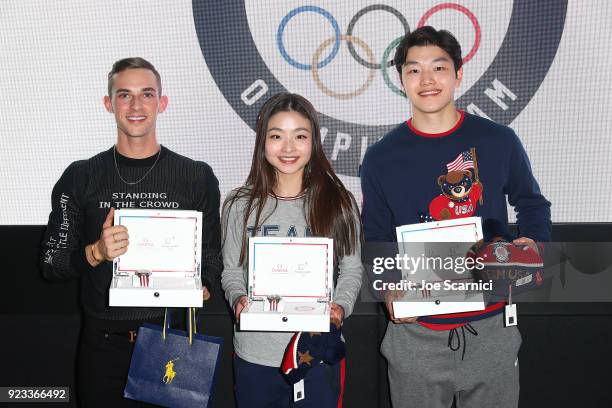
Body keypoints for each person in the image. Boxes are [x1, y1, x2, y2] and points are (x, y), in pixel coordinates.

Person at [360, 27, 551, 408]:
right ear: (401, 80)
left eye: (438, 68)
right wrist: (387, 290)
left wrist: (532, 242)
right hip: (416, 336)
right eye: (414, 70)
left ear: (458, 74)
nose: (427, 80)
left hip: (491, 325)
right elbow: (375, 238)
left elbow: (533, 205)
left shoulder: (499, 140)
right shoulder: (381, 157)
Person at [40, 57, 223, 407]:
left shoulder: (195, 176)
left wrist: (204, 288)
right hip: (103, 343)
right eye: (124, 95)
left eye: (147, 94)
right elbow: (51, 263)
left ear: (162, 103)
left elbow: (211, 257)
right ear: (109, 104)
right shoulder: (81, 176)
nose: (136, 105)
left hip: (170, 339)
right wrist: (95, 252)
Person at [221, 93, 363, 407]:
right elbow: (231, 270)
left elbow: (352, 268)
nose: (288, 147)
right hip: (255, 355)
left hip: (317, 351)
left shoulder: (339, 202)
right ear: (262, 142)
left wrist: (340, 307)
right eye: (276, 136)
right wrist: (238, 298)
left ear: (313, 141)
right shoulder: (238, 204)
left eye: (300, 136)